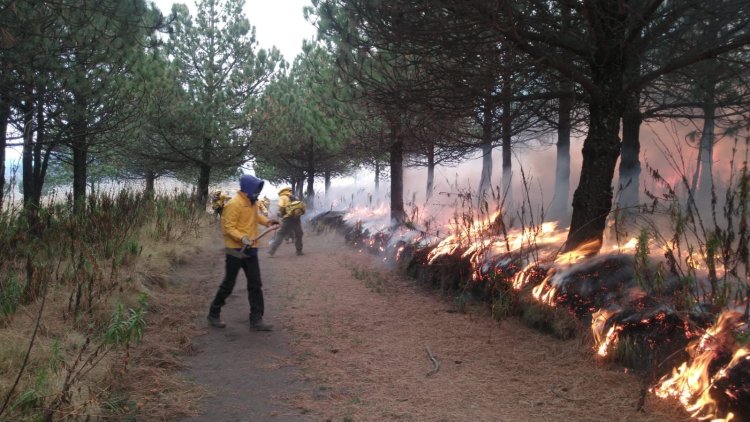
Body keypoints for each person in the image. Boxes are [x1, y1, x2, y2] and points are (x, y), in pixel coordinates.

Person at [207, 175, 279, 330]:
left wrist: (268, 222)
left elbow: (255, 217)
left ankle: (256, 320)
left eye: (259, 189)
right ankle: (213, 313)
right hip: (235, 250)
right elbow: (228, 227)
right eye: (256, 189)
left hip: (251, 250)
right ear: (247, 189)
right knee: (228, 284)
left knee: (255, 284)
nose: (258, 192)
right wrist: (242, 237)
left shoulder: (252, 203)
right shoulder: (234, 204)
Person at [268, 186, 304, 257]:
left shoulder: (282, 197)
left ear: (282, 192)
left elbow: (281, 206)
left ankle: (271, 251)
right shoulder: (294, 197)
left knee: (280, 234)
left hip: (287, 219)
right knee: (298, 233)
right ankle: (299, 251)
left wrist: (281, 214)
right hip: (296, 218)